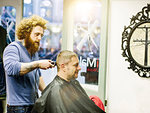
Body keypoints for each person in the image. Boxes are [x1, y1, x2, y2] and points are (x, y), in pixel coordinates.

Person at [3, 15, 55, 113]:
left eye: (41, 35)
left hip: (33, 104)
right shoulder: (13, 48)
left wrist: (47, 94)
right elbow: (12, 68)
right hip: (18, 107)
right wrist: (38, 64)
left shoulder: (33, 52)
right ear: (26, 33)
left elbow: (38, 77)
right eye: (36, 34)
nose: (39, 38)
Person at [31, 50, 105, 113]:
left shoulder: (74, 84)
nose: (79, 68)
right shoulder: (56, 91)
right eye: (75, 65)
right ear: (63, 67)